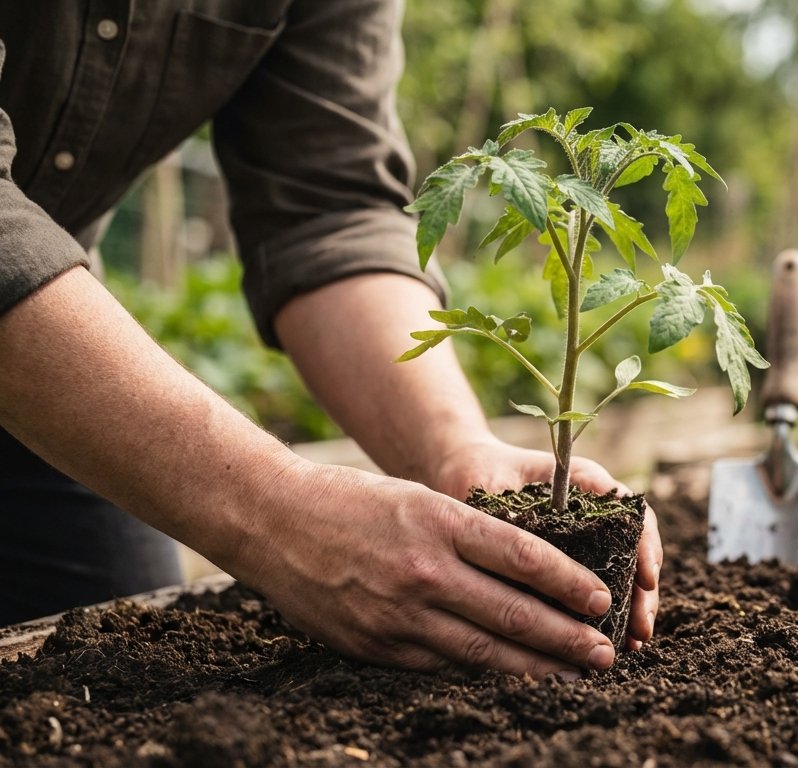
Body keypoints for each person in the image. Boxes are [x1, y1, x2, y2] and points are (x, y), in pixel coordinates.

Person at [0, 1, 661, 679]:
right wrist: (279, 514)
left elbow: (326, 204)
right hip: (39, 335)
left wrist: (453, 450)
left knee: (117, 656)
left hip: (51, 356)